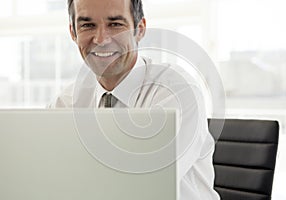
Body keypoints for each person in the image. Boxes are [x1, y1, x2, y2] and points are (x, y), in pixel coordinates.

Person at [49, 0, 220, 199]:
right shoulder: (65, 104)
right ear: (73, 32)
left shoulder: (177, 93)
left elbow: (142, 188)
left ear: (139, 29)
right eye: (87, 25)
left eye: (115, 24)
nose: (101, 39)